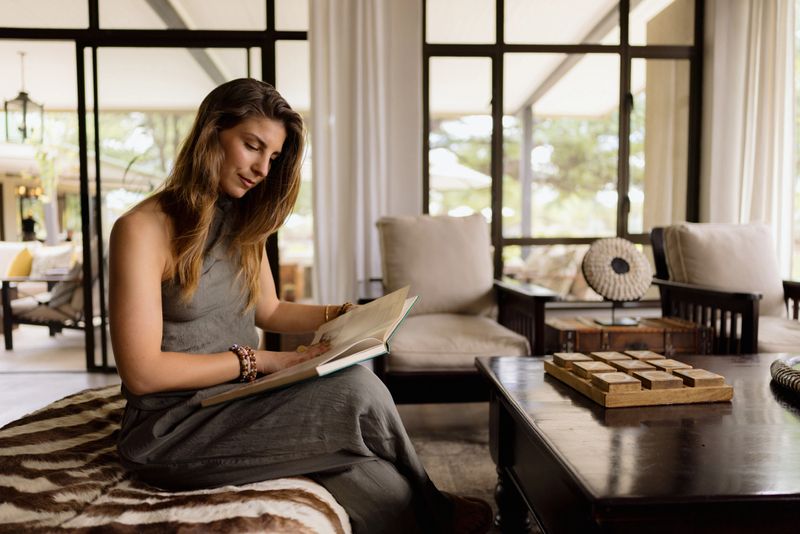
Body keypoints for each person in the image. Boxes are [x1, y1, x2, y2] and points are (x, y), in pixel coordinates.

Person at [109, 78, 492, 534]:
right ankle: (438, 508)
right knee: (357, 391)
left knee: (384, 490)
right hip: (172, 429)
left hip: (238, 400)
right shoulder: (140, 230)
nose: (261, 170)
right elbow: (143, 373)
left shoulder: (243, 221)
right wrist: (265, 361)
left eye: (272, 157)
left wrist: (344, 316)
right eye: (252, 146)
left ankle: (425, 510)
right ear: (211, 132)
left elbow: (269, 311)